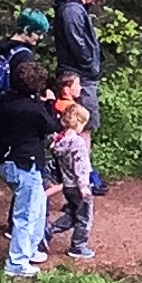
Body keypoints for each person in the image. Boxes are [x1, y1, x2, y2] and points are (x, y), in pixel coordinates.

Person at [0, 60, 63, 277]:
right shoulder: (34, 110)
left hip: (7, 159)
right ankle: (16, 263)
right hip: (26, 163)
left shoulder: (5, 101)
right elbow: (53, 125)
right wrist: (50, 104)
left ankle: (30, 249)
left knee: (39, 205)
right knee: (26, 214)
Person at [55, 0, 109, 183]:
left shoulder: (76, 9)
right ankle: (81, 177)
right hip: (80, 77)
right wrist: (91, 66)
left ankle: (82, 175)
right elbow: (78, 44)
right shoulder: (72, 11)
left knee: (83, 125)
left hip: (80, 74)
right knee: (82, 125)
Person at [50, 81, 96, 260]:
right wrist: (84, 186)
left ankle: (49, 230)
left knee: (71, 213)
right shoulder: (78, 143)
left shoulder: (59, 142)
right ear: (79, 123)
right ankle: (78, 246)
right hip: (79, 186)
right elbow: (81, 166)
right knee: (84, 216)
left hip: (68, 186)